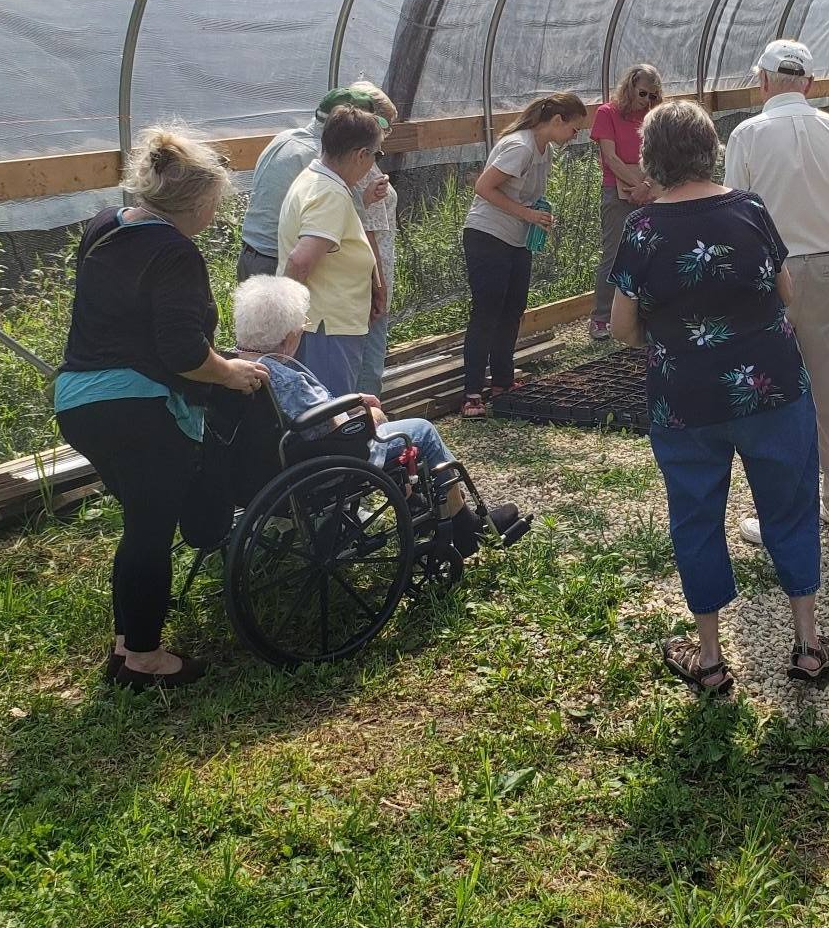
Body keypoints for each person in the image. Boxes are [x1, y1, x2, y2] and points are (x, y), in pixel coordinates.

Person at [610, 99, 829, 694]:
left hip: (684, 399)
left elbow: (622, 327)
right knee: (789, 505)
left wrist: (671, 338)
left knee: (697, 516)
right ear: (711, 148)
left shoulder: (643, 229)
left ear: (652, 157)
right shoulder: (750, 210)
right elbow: (784, 292)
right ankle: (809, 645)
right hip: (773, 388)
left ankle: (709, 658)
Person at [54, 124, 271, 690]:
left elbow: (121, 319)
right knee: (150, 531)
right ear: (197, 202)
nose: (215, 215)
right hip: (137, 407)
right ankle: (146, 660)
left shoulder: (106, 227)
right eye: (215, 204)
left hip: (79, 399)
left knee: (140, 526)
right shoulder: (176, 251)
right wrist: (230, 373)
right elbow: (180, 352)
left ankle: (128, 646)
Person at [232, 276, 515, 559]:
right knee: (422, 430)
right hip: (322, 465)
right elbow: (329, 430)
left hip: (259, 473)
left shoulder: (232, 370)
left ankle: (417, 504)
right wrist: (368, 414)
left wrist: (350, 403)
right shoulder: (283, 378)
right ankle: (467, 526)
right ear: (289, 336)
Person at [724, 38, 829, 538]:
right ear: (809, 82)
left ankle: (776, 507)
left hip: (766, 272)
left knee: (771, 388)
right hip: (827, 265)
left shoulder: (747, 134)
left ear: (763, 80)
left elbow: (735, 212)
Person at [461, 93, 588, 416]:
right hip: (488, 234)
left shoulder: (542, 149)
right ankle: (472, 392)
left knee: (513, 308)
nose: (574, 137)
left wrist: (537, 213)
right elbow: (484, 188)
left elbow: (527, 194)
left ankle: (502, 380)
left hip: (516, 238)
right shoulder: (520, 146)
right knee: (487, 311)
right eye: (574, 129)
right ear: (557, 120)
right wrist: (527, 214)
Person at [278, 104, 385, 394]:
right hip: (326, 327)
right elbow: (300, 260)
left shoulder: (317, 180)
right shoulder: (330, 194)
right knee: (331, 419)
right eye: (376, 153)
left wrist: (373, 283)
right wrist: (285, 320)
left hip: (324, 324)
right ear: (361, 154)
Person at [237, 84, 393, 281]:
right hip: (280, 262)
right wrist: (365, 200)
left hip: (249, 255)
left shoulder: (284, 138)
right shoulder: (323, 158)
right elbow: (341, 217)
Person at [588, 65, 662, 342]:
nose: (647, 100)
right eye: (643, 93)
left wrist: (648, 186)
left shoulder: (653, 116)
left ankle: (647, 310)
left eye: (653, 96)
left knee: (652, 250)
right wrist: (637, 185)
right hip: (618, 189)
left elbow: (660, 153)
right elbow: (610, 156)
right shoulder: (608, 113)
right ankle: (602, 316)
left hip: (650, 187)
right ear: (630, 87)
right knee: (615, 252)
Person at [348, 80, 400, 397]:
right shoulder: (363, 167)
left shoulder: (365, 163)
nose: (387, 134)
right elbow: (367, 231)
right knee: (367, 365)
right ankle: (366, 430)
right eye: (385, 126)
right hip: (368, 279)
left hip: (371, 276)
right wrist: (378, 286)